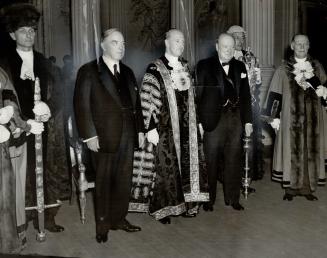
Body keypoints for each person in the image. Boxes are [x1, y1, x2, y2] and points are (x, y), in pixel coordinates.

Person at [0, 3, 65, 237]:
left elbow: (59, 94)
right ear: (12, 34)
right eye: (23, 30)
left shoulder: (45, 63)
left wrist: (49, 107)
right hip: (17, 130)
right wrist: (22, 123)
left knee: (46, 171)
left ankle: (46, 217)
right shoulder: (4, 64)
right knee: (21, 175)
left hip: (45, 130)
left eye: (32, 30)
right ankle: (21, 219)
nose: (29, 34)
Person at [74, 28, 144, 243]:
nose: (121, 47)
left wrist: (140, 130)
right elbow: (81, 105)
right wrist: (89, 136)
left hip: (128, 135)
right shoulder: (89, 71)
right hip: (103, 136)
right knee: (103, 182)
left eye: (123, 43)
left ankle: (119, 219)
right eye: (115, 42)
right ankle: (102, 225)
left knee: (124, 180)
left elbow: (137, 105)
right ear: (103, 45)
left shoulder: (129, 72)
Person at [139, 29, 209, 224]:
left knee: (190, 166)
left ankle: (189, 205)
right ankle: (166, 208)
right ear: (166, 42)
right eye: (177, 40)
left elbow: (194, 98)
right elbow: (146, 100)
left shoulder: (186, 67)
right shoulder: (154, 68)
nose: (181, 44)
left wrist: (200, 122)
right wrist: (150, 128)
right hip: (166, 128)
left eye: (183, 41)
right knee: (166, 168)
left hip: (189, 128)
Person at [263, 34, 327, 201]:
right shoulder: (283, 69)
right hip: (290, 121)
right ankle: (290, 189)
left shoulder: (317, 67)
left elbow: (325, 88)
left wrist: (324, 92)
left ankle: (307, 188)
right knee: (290, 151)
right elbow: (275, 93)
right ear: (292, 46)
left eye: (305, 44)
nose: (301, 46)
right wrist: (274, 118)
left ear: (309, 46)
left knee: (309, 151)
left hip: (313, 120)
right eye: (298, 43)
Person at [196, 33, 253, 211]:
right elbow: (197, 97)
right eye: (224, 46)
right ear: (216, 46)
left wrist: (248, 122)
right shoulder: (204, 66)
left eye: (231, 46)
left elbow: (245, 96)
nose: (228, 50)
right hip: (213, 120)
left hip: (235, 119)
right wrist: (199, 123)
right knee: (210, 161)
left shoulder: (240, 66)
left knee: (233, 160)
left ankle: (233, 198)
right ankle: (208, 200)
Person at [227, 25, 264, 182]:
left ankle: (249, 175)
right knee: (234, 141)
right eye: (236, 37)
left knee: (251, 138)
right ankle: (233, 177)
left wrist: (258, 79)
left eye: (242, 37)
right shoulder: (226, 57)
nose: (239, 40)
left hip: (250, 105)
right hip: (233, 107)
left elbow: (255, 85)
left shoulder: (250, 57)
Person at [0, 67, 22, 253]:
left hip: (1, 145)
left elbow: (10, 100)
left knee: (5, 199)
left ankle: (7, 246)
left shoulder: (1, 73)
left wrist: (15, 124)